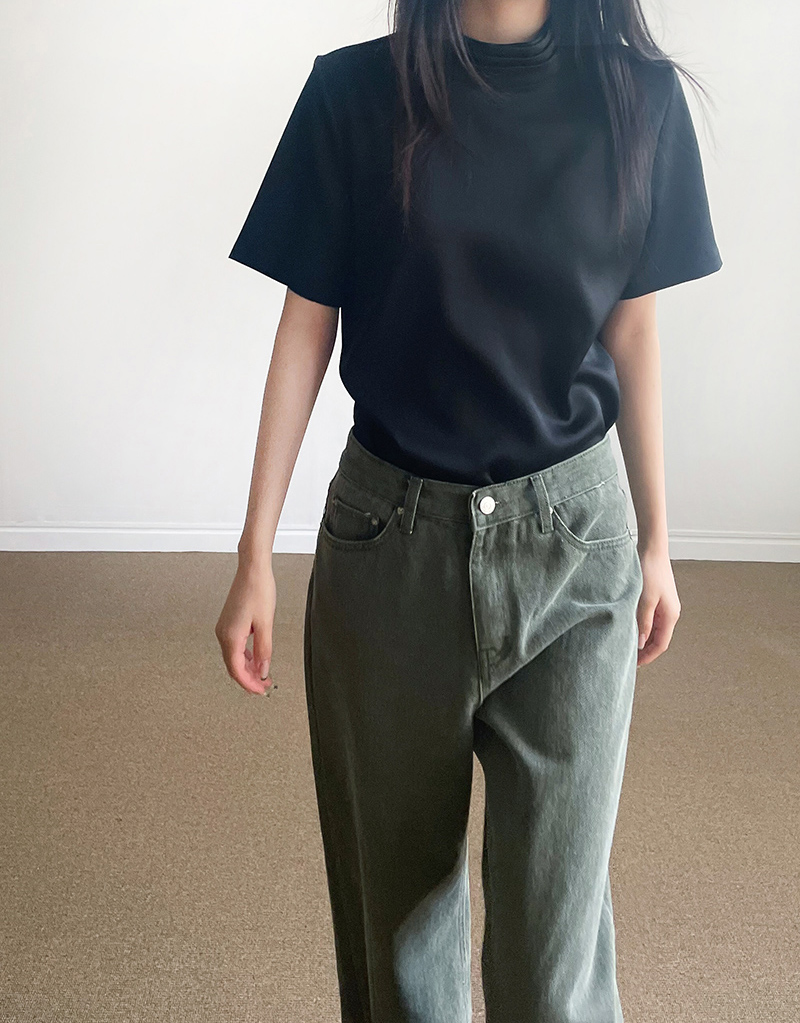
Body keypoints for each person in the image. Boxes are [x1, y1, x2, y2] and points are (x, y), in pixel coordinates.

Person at [216, 0, 722, 1019]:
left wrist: (659, 542)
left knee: (552, 943)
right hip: (387, 544)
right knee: (398, 929)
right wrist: (254, 553)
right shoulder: (354, 92)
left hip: (575, 545)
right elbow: (306, 323)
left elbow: (632, 332)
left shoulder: (639, 98)